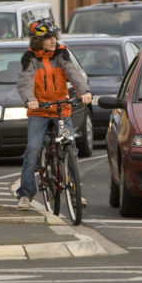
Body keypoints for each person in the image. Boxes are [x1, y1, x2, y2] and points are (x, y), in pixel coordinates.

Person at [15, 18, 92, 209]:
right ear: (37, 40)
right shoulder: (30, 58)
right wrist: (29, 100)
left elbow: (73, 73)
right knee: (33, 148)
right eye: (48, 37)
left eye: (54, 36)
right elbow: (25, 82)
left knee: (71, 148)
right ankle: (25, 194)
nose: (53, 41)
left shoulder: (61, 53)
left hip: (61, 109)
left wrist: (84, 92)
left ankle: (75, 194)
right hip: (39, 111)